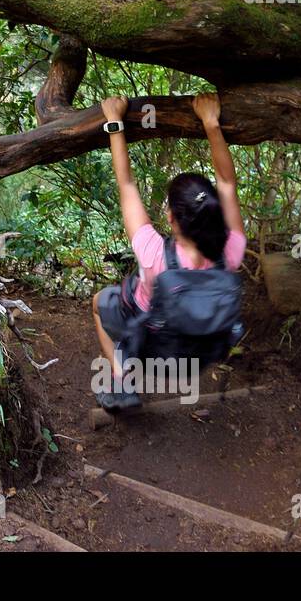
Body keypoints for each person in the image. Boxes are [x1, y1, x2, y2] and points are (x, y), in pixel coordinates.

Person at [91, 92, 247, 411]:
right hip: (200, 353)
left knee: (100, 302)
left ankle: (122, 382)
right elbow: (227, 183)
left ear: (171, 218)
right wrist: (211, 122)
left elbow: (127, 185)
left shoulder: (152, 252)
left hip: (155, 350)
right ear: (215, 213)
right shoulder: (232, 249)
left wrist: (114, 123)